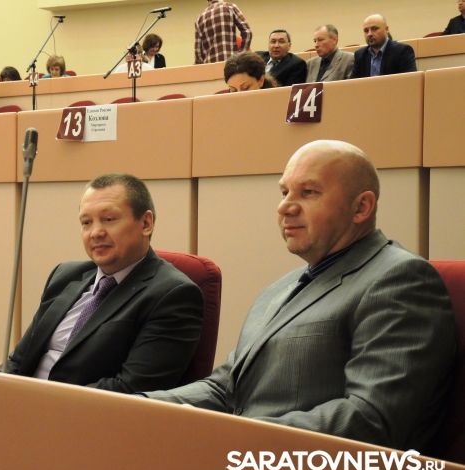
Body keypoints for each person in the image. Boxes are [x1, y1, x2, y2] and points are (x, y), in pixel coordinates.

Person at [143, 140, 457, 453]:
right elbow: (225, 389)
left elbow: (371, 421)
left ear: (361, 207)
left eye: (309, 192)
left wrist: (233, 438)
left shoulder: (401, 279)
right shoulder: (279, 288)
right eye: (284, 192)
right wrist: (135, 407)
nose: (285, 207)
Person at [0, 173, 204, 394]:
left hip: (81, 412)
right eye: (86, 223)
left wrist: (42, 402)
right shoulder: (64, 275)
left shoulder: (173, 295)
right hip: (21, 404)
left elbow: (131, 389)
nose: (96, 233)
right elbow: (18, 362)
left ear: (146, 223)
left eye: (109, 219)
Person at [351, 15, 417, 78]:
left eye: (374, 29)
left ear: (386, 29)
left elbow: (410, 81)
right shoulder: (360, 55)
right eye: (366, 31)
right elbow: (352, 83)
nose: (369, 34)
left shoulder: (402, 51)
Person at [195, 0, 251, 65]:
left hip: (209, 66)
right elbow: (247, 31)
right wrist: (241, 56)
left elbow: (198, 54)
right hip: (230, 64)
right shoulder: (230, 7)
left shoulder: (199, 18)